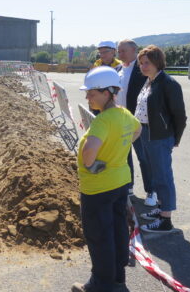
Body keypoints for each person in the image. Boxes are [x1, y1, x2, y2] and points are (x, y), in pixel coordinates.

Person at [72, 67, 141, 292]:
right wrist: (117, 150)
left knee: (99, 236)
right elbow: (136, 131)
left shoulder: (102, 121)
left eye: (92, 93)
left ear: (108, 92)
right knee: (118, 230)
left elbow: (89, 153)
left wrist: (92, 164)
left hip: (98, 189)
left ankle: (101, 284)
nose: (87, 97)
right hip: (120, 183)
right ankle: (117, 279)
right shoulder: (124, 114)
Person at [135, 45, 187, 233]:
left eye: (147, 63)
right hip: (146, 133)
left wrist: (175, 138)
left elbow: (180, 116)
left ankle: (166, 220)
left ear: (157, 62)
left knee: (163, 176)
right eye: (141, 63)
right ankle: (160, 208)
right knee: (156, 175)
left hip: (159, 136)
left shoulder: (168, 83)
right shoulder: (149, 81)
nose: (143, 66)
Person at [116, 39, 155, 205]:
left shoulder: (142, 71)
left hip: (137, 122)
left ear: (134, 51)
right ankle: (129, 185)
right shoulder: (118, 69)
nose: (120, 54)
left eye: (123, 51)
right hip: (120, 120)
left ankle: (152, 191)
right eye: (119, 51)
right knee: (124, 156)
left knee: (144, 157)